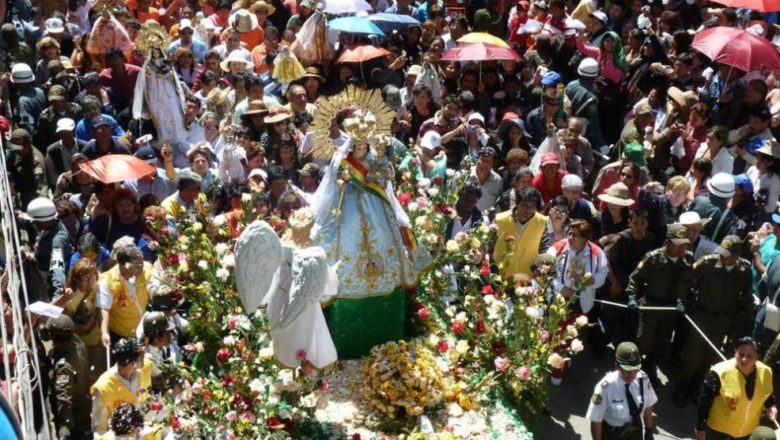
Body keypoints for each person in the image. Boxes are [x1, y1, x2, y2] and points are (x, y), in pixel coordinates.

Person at [674, 236, 754, 409]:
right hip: (702, 315)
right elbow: (685, 280)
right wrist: (682, 301)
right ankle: (683, 385)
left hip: (723, 320)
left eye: (727, 255)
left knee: (712, 354)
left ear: (737, 255)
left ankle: (697, 385)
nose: (722, 257)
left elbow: (746, 296)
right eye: (721, 253)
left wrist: (747, 319)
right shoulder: (708, 263)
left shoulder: (744, 270)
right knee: (693, 354)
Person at [625, 223, 694, 386]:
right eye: (678, 243)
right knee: (644, 339)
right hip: (651, 304)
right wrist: (632, 297)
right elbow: (635, 278)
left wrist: (682, 302)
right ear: (668, 242)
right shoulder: (653, 257)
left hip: (670, 308)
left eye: (684, 243)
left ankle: (650, 368)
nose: (682, 247)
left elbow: (688, 283)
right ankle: (630, 368)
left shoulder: (688, 259)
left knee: (661, 342)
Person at [696, 337, 776, 440]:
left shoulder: (766, 372)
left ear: (757, 357)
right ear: (735, 351)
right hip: (718, 429)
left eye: (750, 356)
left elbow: (767, 393)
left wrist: (771, 406)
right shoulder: (719, 372)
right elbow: (704, 402)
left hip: (746, 431)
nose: (744, 359)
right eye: (741, 354)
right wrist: (700, 427)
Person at [585, 341, 658, 440]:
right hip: (613, 434)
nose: (632, 375)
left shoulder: (643, 379)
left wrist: (649, 430)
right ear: (617, 366)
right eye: (627, 371)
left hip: (635, 430)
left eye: (635, 370)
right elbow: (596, 421)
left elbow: (648, 405)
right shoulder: (605, 388)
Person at [90, 338, 151, 436]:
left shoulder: (145, 368)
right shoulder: (103, 388)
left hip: (144, 431)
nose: (145, 357)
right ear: (131, 364)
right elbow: (99, 430)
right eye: (141, 357)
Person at [45, 314, 92, 440]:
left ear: (54, 338)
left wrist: (63, 431)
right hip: (84, 406)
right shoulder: (76, 342)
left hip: (74, 417)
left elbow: (63, 402)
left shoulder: (63, 368)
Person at [96, 245, 152, 347]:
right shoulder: (107, 282)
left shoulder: (148, 270)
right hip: (121, 335)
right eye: (137, 266)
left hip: (146, 331)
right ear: (123, 266)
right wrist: (104, 332)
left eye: (142, 264)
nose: (142, 268)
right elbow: (104, 309)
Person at [493, 187, 547, 278]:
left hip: (528, 278)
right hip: (500, 277)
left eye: (532, 206)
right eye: (524, 205)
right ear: (517, 203)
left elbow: (544, 248)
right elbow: (489, 247)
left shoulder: (542, 222)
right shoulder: (499, 220)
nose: (528, 210)